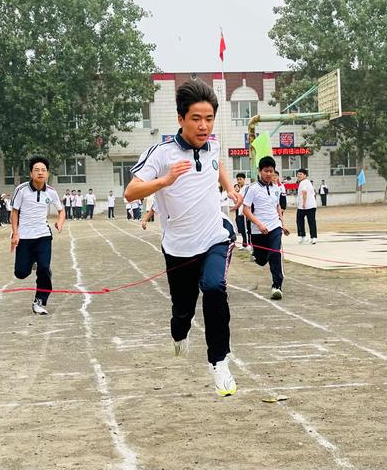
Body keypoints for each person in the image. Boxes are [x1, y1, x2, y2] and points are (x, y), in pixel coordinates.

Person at [124, 78, 242, 397]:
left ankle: (219, 361)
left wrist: (229, 189)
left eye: (209, 119)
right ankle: (180, 334)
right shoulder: (162, 154)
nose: (203, 126)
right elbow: (131, 192)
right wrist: (164, 180)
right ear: (180, 119)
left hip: (214, 238)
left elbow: (217, 167)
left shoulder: (213, 145)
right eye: (196, 119)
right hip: (178, 249)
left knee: (215, 288)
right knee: (182, 312)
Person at [11, 156, 65, 315]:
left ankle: (39, 300)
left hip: (43, 235)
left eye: (43, 170)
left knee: (44, 268)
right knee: (20, 273)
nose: (40, 173)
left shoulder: (52, 192)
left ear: (47, 173)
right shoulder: (21, 190)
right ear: (30, 173)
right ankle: (34, 262)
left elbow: (61, 211)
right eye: (37, 170)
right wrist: (15, 233)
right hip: (25, 236)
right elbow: (14, 212)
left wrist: (60, 223)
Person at [243, 156, 289, 300]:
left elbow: (277, 206)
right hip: (258, 230)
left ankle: (277, 286)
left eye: (271, 171)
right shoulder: (252, 189)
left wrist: (282, 223)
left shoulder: (277, 188)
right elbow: (246, 210)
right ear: (259, 171)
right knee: (262, 260)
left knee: (275, 253)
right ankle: (255, 255)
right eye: (265, 171)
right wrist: (259, 224)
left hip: (274, 227)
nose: (269, 174)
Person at [296, 168, 318, 244]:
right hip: (310, 205)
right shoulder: (307, 182)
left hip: (305, 206)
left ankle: (303, 236)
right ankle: (313, 237)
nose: (299, 175)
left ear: (305, 175)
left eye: (300, 174)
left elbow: (304, 192)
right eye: (298, 174)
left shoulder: (304, 182)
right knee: (311, 221)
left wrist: (304, 203)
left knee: (300, 221)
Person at [232, 173, 250, 251]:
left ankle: (247, 244)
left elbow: (247, 200)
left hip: (244, 212)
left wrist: (244, 211)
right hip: (239, 211)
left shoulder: (246, 188)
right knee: (242, 229)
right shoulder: (240, 190)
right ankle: (244, 243)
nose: (239, 181)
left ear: (244, 179)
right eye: (238, 179)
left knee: (246, 229)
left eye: (240, 179)